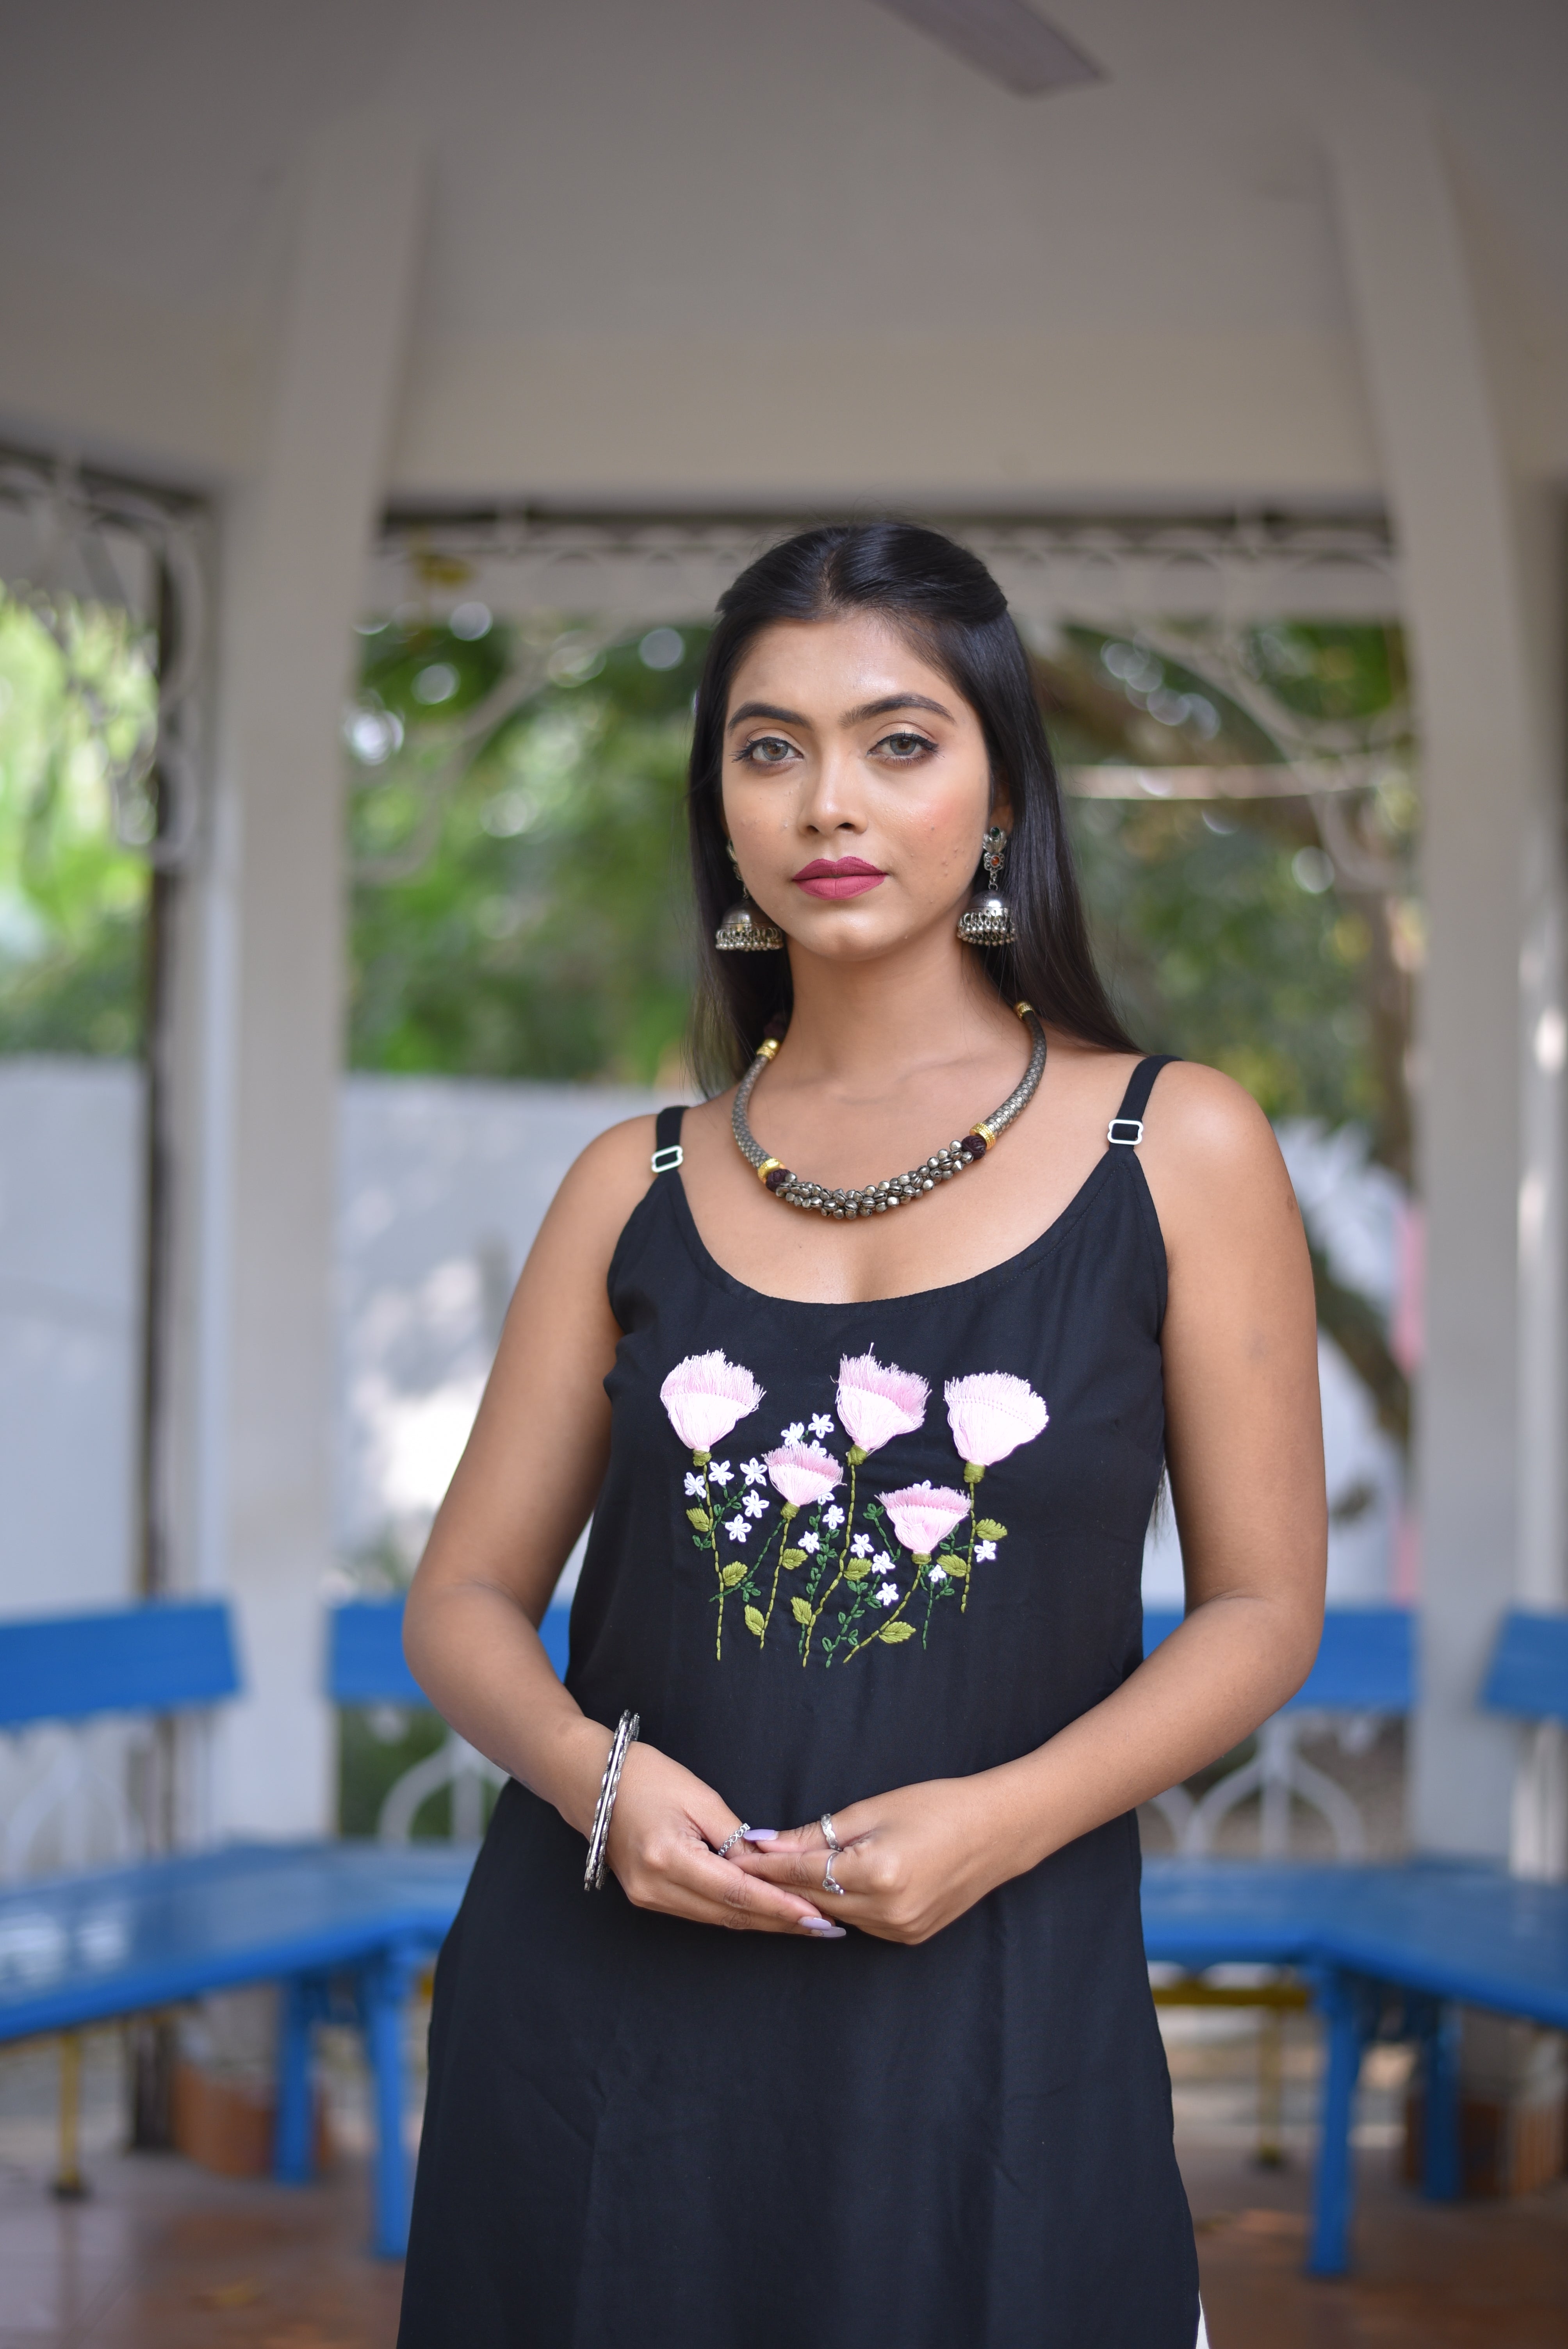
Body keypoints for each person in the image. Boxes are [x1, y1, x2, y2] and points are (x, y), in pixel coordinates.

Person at [395, 522, 1326, 2349]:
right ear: (722, 813)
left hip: (988, 2039)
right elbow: (460, 1602)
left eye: (898, 740)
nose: (830, 796)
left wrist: (1000, 1822)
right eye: (769, 746)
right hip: (597, 2043)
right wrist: (597, 1785)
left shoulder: (1176, 1146)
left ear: (996, 795)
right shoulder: (631, 1183)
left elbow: (1260, 1609)